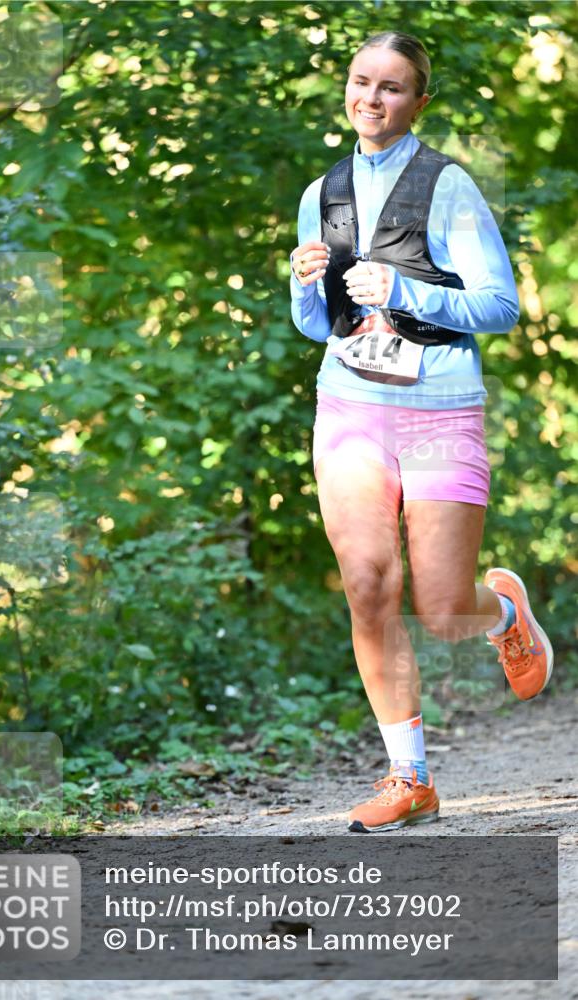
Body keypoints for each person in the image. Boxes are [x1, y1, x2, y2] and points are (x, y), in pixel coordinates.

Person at [289, 30, 553, 833]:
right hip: (349, 407)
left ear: (418, 103)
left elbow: (498, 308)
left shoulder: (448, 189)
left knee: (441, 610)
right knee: (368, 582)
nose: (371, 99)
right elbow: (317, 328)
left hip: (439, 407)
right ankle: (410, 779)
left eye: (392, 87)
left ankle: (502, 609)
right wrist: (304, 286)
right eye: (360, 82)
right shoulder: (321, 193)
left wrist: (407, 287)